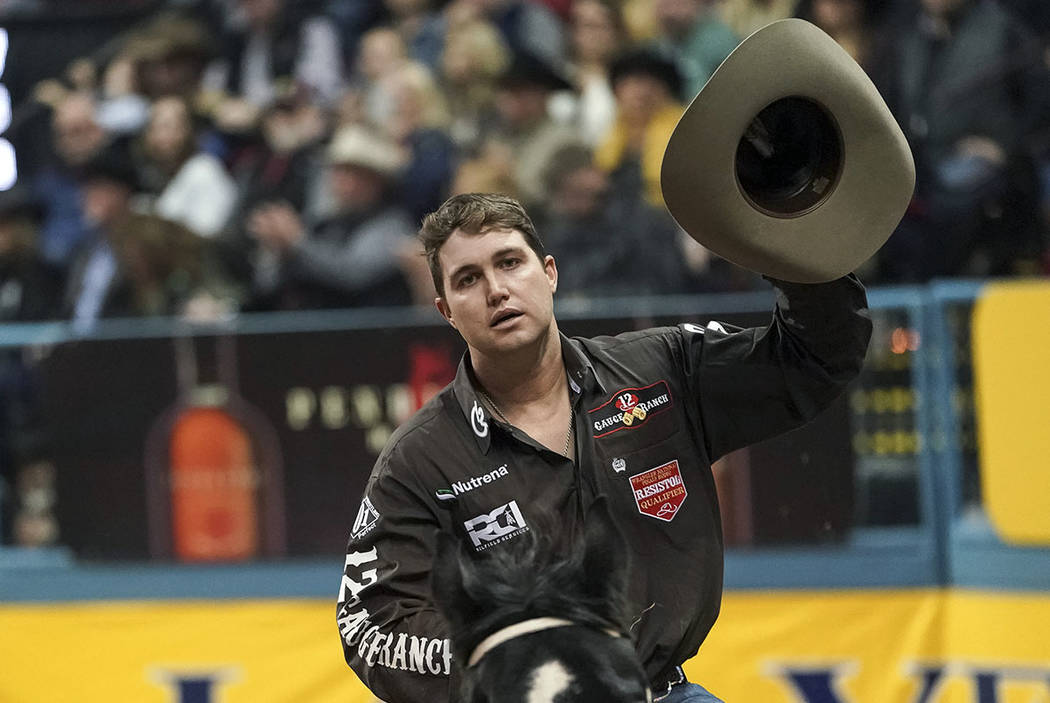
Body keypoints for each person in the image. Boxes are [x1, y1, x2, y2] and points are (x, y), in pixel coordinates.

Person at [336, 192, 872, 702]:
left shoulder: (661, 369)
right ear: (446, 310)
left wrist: (785, 225)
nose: (496, 290)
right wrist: (507, 660)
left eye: (509, 263)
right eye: (468, 279)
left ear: (549, 273)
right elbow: (366, 623)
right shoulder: (417, 458)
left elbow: (815, 357)